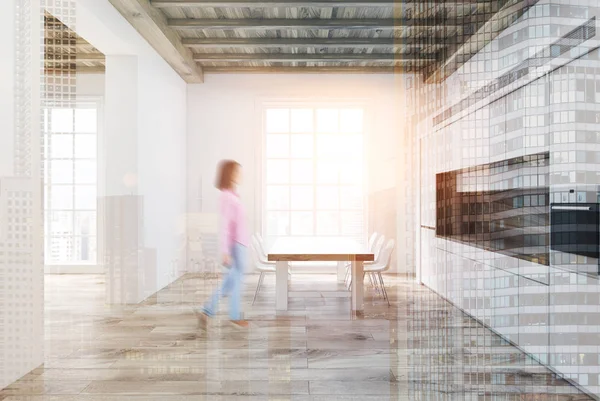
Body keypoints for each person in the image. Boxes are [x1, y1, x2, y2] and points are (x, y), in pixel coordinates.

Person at [195, 160, 249, 329]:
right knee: (236, 281)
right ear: (230, 174)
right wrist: (225, 251)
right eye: (237, 172)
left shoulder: (232, 195)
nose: (240, 175)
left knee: (230, 282)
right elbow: (224, 225)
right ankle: (234, 316)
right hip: (236, 245)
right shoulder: (227, 196)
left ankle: (207, 311)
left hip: (240, 243)